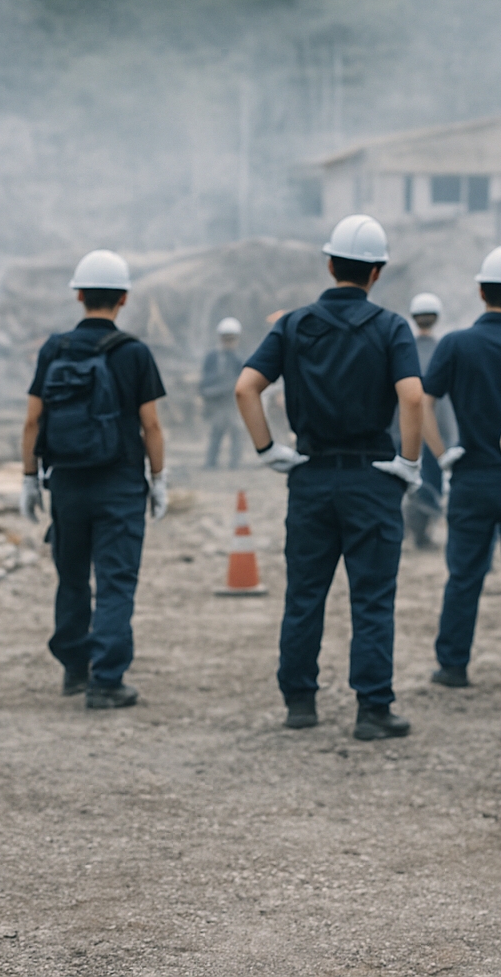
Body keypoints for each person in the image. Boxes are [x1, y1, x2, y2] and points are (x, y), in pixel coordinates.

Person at [234, 214, 424, 739]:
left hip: (311, 477)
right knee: (371, 598)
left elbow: (246, 388)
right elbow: (412, 396)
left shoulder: (293, 325)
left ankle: (300, 702)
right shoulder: (391, 328)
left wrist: (269, 449)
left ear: (330, 263)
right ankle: (372, 709)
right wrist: (409, 462)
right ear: (377, 272)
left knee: (305, 594)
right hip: (372, 478)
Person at [20, 249, 168, 710]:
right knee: (116, 582)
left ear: (79, 295)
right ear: (123, 299)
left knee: (71, 578)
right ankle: (107, 681)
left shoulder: (54, 348)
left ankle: (74, 670)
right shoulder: (134, 353)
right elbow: (152, 426)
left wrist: (29, 478)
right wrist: (158, 479)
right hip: (121, 483)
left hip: (65, 483)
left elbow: (32, 421)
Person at [421, 245, 501, 692]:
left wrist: (443, 453)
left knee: (464, 575)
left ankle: (453, 665)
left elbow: (424, 401)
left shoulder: (454, 345)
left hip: (470, 478)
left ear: (481, 291)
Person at [402, 293, 456, 549]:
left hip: (403, 430)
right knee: (430, 482)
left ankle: (410, 534)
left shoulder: (402, 349)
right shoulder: (444, 350)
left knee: (407, 481)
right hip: (438, 432)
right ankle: (422, 536)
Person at [201, 317, 245, 468]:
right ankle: (211, 463)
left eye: (231, 339)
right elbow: (205, 380)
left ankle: (234, 464)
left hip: (232, 402)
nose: (229, 342)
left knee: (236, 432)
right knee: (216, 432)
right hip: (218, 402)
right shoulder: (213, 358)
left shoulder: (238, 359)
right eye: (226, 339)